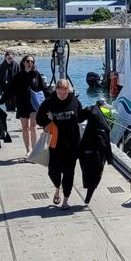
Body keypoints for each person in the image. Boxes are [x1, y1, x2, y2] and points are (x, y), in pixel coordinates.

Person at [35, 79, 87, 209]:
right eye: (59, 93)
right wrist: (49, 118)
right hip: (55, 143)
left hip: (72, 144)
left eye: (65, 93)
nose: (62, 96)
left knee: (69, 173)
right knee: (53, 171)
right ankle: (57, 187)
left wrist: (93, 112)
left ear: (69, 91)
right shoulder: (49, 102)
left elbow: (80, 117)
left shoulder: (74, 101)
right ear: (56, 91)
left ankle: (65, 200)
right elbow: (39, 120)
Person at [0, 55, 46, 156]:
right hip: (22, 104)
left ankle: (34, 151)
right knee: (25, 128)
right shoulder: (19, 75)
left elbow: (43, 89)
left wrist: (50, 101)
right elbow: (10, 90)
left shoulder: (36, 74)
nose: (30, 63)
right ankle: (28, 150)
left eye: (32, 62)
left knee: (33, 127)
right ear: (23, 62)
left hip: (34, 104)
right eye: (28, 61)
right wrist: (2, 100)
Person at [79, 98, 113, 203]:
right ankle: (88, 198)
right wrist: (109, 158)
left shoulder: (93, 117)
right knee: (96, 175)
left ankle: (88, 197)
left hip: (86, 150)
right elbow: (106, 142)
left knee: (88, 173)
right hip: (97, 152)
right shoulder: (103, 127)